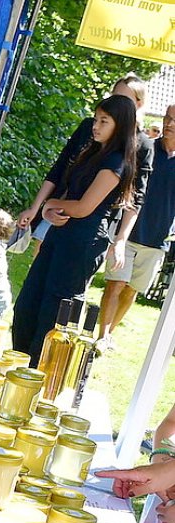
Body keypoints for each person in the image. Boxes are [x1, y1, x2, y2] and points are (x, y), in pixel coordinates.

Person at [9, 93, 140, 362]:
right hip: (60, 235)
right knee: (26, 306)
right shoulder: (92, 151)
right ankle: (19, 365)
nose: (96, 126)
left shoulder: (116, 162)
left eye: (104, 121)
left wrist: (51, 205)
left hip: (83, 244)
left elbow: (83, 208)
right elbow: (67, 195)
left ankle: (35, 377)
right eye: (96, 119)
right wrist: (50, 207)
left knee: (51, 317)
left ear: (120, 125)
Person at [15, 74, 147, 251]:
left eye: (124, 99)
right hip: (60, 209)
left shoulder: (141, 145)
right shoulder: (89, 127)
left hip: (90, 229)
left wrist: (121, 240)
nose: (96, 126)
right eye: (114, 96)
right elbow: (60, 168)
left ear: (138, 104)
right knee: (40, 265)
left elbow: (135, 197)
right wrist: (37, 207)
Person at [99, 103, 175, 348]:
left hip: (157, 239)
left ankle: (109, 333)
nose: (169, 124)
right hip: (128, 232)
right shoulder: (146, 149)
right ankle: (101, 336)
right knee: (115, 284)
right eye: (168, 118)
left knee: (131, 291)